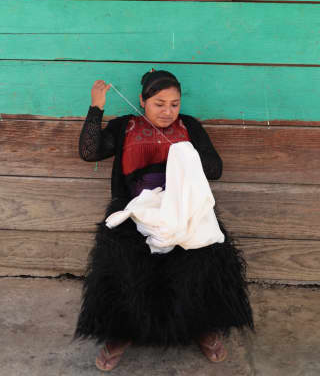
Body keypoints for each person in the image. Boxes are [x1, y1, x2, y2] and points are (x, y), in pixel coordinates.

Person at [74, 70, 254, 372]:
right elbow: (89, 152)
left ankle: (202, 326)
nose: (168, 112)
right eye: (159, 104)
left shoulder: (189, 126)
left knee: (204, 251)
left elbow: (215, 169)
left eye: (174, 104)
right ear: (142, 101)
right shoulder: (125, 126)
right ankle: (121, 332)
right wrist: (96, 107)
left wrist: (185, 153)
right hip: (135, 207)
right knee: (123, 259)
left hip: (183, 205)